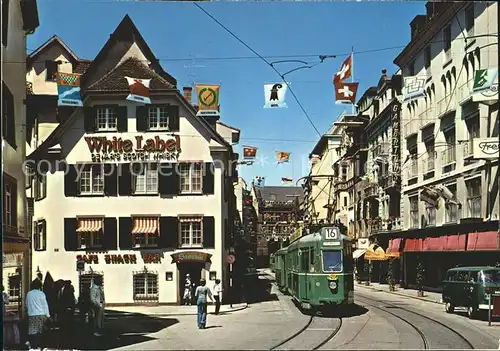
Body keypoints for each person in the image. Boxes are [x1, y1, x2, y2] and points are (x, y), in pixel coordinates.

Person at [26, 279, 51, 349]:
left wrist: (29, 311)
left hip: (32, 315)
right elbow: (45, 305)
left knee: (33, 331)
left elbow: (27, 304)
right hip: (41, 314)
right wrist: (48, 315)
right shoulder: (41, 293)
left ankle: (34, 346)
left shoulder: (29, 293)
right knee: (41, 332)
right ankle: (40, 346)